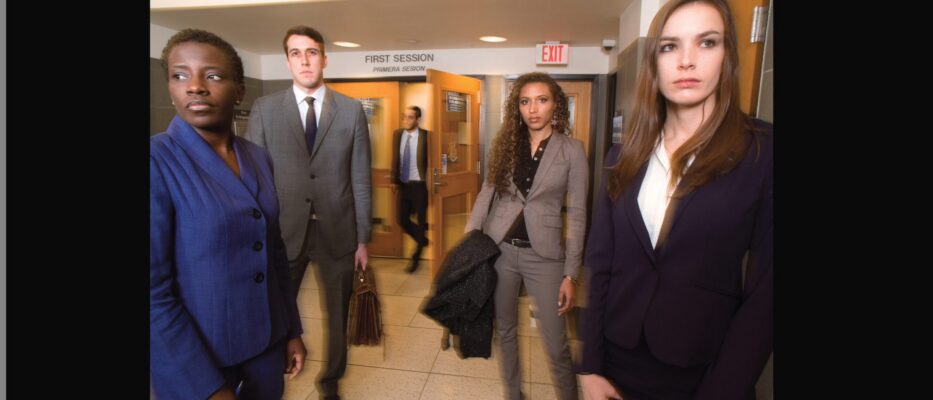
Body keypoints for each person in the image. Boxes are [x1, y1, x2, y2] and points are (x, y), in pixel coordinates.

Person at [577, 1, 773, 399]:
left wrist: (724, 390)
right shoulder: (623, 156)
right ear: (654, 62)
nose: (686, 60)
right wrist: (590, 367)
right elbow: (601, 266)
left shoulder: (761, 152)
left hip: (705, 370)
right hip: (617, 362)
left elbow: (767, 293)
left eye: (707, 42)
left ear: (728, 56)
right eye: (670, 46)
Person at [150, 28, 306, 400]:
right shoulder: (158, 160)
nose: (196, 87)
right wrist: (206, 388)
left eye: (213, 75)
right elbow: (152, 294)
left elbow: (274, 253)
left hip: (266, 347)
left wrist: (291, 331)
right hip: (201, 362)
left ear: (239, 91)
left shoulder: (256, 157)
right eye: (180, 75)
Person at [246, 25, 372, 400]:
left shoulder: (350, 111)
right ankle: (273, 367)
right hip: (284, 233)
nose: (305, 59)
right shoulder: (265, 110)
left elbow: (361, 179)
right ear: (287, 61)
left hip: (338, 232)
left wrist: (363, 237)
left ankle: (331, 381)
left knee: (337, 314)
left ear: (324, 58)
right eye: (296, 53)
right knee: (273, 307)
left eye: (312, 52)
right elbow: (255, 180)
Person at [465, 72, 587, 400]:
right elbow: (485, 195)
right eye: (525, 101)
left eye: (542, 100)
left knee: (556, 343)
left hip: (544, 257)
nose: (533, 108)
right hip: (500, 250)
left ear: (555, 106)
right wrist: (470, 241)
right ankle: (513, 394)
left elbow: (577, 215)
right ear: (517, 106)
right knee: (504, 330)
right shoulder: (506, 145)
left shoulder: (572, 151)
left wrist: (570, 274)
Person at [391, 105, 431, 273]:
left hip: (419, 185)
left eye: (410, 117)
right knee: (401, 220)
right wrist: (394, 180)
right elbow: (395, 158)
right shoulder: (398, 134)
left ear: (418, 120)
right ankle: (422, 238)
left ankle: (416, 258)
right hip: (403, 185)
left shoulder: (426, 136)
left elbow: (434, 160)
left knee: (421, 221)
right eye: (404, 117)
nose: (406, 120)